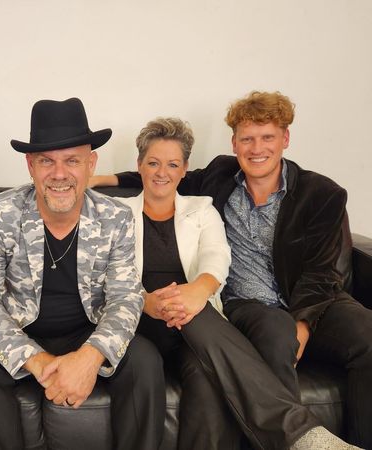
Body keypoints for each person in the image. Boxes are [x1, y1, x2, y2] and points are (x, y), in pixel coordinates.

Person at [95, 91, 372, 449]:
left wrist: (302, 324)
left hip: (314, 301)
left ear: (285, 138)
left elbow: (322, 273)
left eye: (267, 137)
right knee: (274, 331)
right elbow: (161, 172)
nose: (257, 148)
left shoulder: (321, 193)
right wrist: (95, 179)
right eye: (247, 139)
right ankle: (299, 439)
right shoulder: (220, 176)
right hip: (249, 304)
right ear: (234, 143)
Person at [0, 97, 165, 450]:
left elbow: (126, 297)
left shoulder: (116, 217)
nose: (59, 174)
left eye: (72, 160)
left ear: (90, 164)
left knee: (145, 362)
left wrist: (89, 357)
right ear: (30, 165)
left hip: (89, 328)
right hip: (22, 329)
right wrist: (35, 360)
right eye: (46, 161)